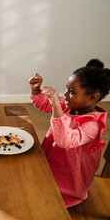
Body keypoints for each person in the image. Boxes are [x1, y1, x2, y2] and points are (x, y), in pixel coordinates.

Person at [29, 59, 110, 208]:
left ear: (93, 97)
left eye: (71, 92)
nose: (65, 95)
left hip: (71, 178)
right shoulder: (71, 105)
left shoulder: (92, 125)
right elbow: (43, 103)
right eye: (66, 89)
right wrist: (36, 90)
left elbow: (64, 140)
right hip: (54, 161)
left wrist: (55, 105)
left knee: (38, 197)